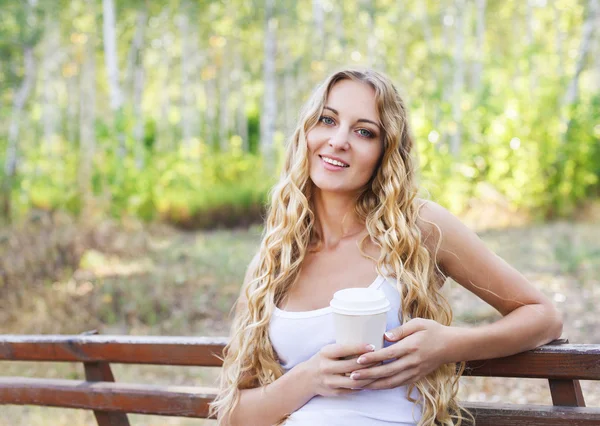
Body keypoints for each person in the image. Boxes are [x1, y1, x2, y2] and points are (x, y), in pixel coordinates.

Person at [209, 68, 563, 426]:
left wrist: (447, 345)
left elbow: (543, 316)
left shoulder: (419, 227)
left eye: (364, 131)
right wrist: (309, 377)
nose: (338, 140)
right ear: (306, 132)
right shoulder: (277, 256)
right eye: (327, 120)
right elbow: (233, 415)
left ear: (385, 151)